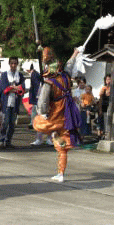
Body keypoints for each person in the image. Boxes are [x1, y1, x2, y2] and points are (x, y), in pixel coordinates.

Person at [33, 47, 81, 183]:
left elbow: (42, 102)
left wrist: (43, 113)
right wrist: (75, 53)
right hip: (68, 114)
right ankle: (61, 173)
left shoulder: (49, 83)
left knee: (38, 123)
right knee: (63, 148)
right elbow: (70, 65)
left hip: (55, 114)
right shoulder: (65, 76)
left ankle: (52, 133)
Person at [0, 56, 25, 148]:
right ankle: (1, 140)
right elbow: (4, 89)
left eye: (15, 63)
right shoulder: (4, 75)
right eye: (12, 63)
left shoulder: (20, 75)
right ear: (9, 64)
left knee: (12, 124)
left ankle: (8, 141)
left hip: (15, 102)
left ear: (17, 64)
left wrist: (13, 88)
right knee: (5, 122)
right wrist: (15, 87)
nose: (13, 65)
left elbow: (22, 88)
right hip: (6, 102)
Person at [28, 64, 53, 146]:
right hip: (39, 98)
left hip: (49, 98)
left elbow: (53, 82)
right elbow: (35, 84)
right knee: (39, 119)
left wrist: (46, 81)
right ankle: (39, 139)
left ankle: (49, 139)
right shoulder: (35, 72)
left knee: (49, 119)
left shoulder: (51, 69)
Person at [97, 74, 111, 139]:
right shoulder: (103, 88)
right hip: (104, 107)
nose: (108, 81)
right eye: (107, 79)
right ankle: (103, 135)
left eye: (110, 79)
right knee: (104, 122)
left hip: (111, 108)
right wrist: (100, 109)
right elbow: (100, 99)